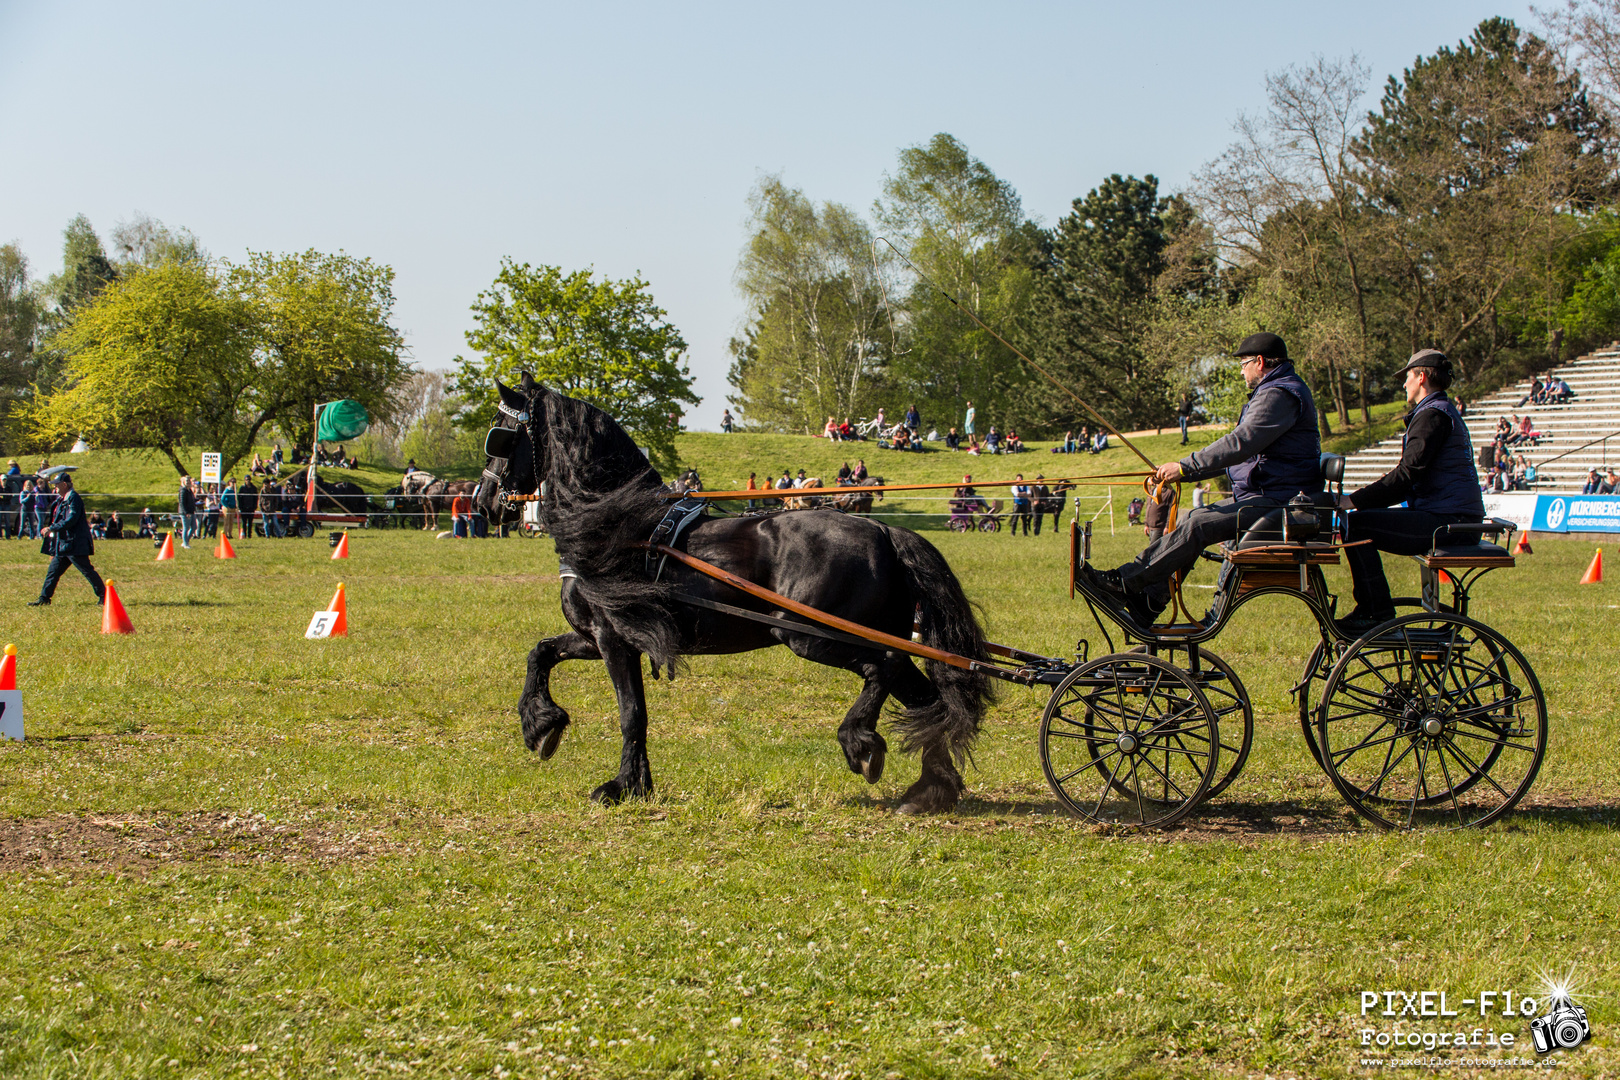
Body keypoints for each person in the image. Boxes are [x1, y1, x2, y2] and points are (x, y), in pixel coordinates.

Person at [1079, 332, 1322, 626]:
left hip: (1280, 503)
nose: (1241, 371)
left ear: (1259, 362)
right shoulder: (1278, 391)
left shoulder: (1279, 394)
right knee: (1192, 518)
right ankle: (1150, 600)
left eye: (1243, 364)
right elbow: (1241, 454)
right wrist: (1187, 471)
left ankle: (1124, 582)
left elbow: (1239, 444)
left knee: (1197, 523)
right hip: (1271, 496)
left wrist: (1184, 467)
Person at [1335, 349, 1483, 637]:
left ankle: (1375, 612)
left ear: (1422, 376)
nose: (1404, 384)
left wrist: (1352, 500)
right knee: (1362, 519)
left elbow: (1406, 476)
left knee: (1357, 524)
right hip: (1451, 516)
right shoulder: (1438, 411)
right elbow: (1410, 476)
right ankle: (1373, 608)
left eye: (1407, 377)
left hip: (1450, 522)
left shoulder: (1431, 415)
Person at [29, 473, 104, 607]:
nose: (55, 487)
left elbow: (71, 519)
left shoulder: (73, 498)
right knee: (53, 572)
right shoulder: (62, 499)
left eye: (57, 484)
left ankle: (104, 596)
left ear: (64, 484)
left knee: (87, 571)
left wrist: (52, 528)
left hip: (74, 544)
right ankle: (44, 598)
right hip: (64, 544)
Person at [178, 476, 198, 548]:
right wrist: (186, 512)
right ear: (183, 482)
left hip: (191, 511)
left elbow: (192, 500)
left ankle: (186, 541)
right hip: (185, 513)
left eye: (189, 481)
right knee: (186, 528)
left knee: (194, 527)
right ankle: (185, 543)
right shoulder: (183, 491)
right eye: (187, 481)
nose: (188, 483)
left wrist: (197, 500)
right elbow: (182, 503)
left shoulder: (189, 490)